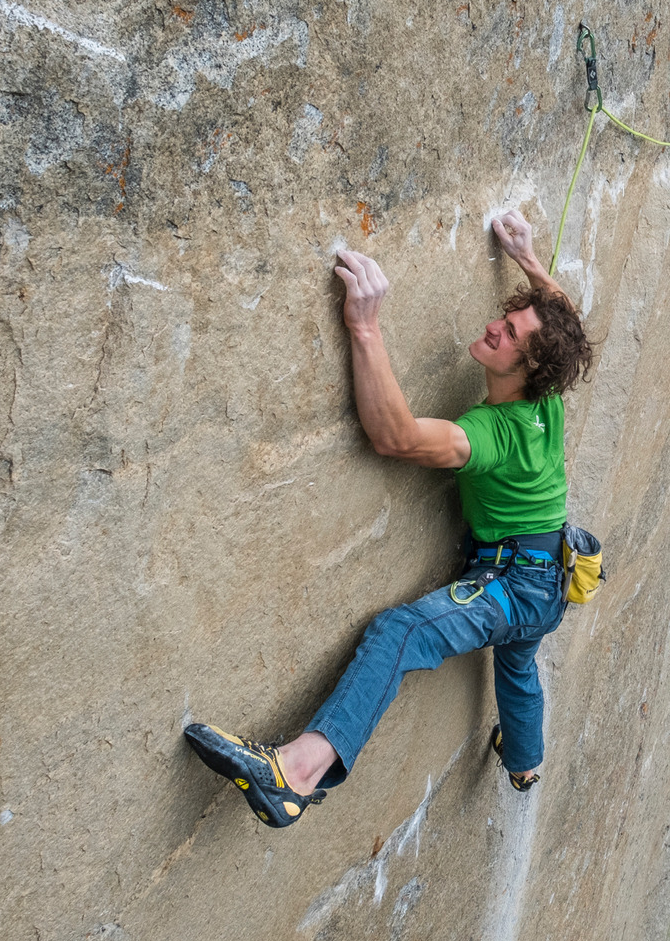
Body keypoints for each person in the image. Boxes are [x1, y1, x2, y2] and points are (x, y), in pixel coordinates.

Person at [184, 209, 594, 826]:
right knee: (515, 661)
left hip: (514, 584)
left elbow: (396, 437)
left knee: (401, 633)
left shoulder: (488, 436)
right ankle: (524, 763)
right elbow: (561, 315)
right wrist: (528, 259)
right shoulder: (549, 396)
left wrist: (366, 327)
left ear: (530, 368)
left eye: (509, 334)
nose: (493, 326)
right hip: (550, 576)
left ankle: (296, 773)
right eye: (505, 319)